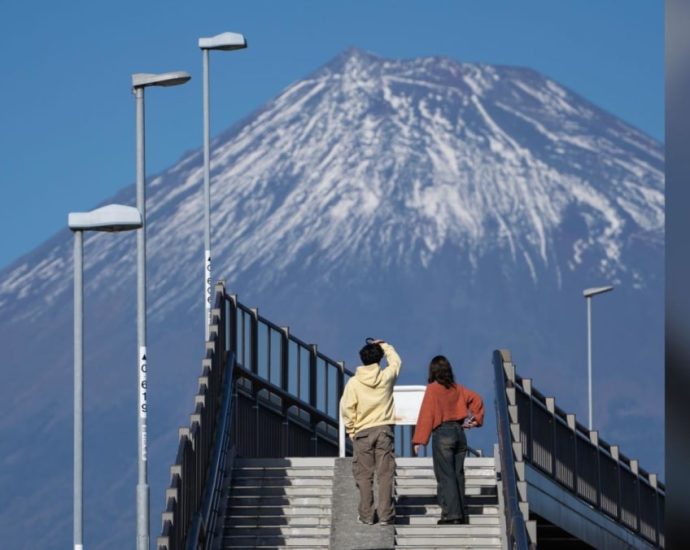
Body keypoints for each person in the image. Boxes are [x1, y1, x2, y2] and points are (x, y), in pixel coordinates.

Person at [411, 355, 484, 525]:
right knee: (458, 474)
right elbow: (477, 399)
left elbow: (426, 414)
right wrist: (476, 419)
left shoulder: (433, 389)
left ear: (432, 371)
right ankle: (462, 514)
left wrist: (419, 440)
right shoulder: (457, 388)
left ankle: (451, 515)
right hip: (459, 433)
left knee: (446, 476)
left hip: (443, 434)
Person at [340, 338, 402, 526]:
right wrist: (384, 345)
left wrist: (351, 430)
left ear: (361, 359)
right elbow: (397, 362)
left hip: (362, 432)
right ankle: (385, 515)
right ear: (379, 359)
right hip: (384, 430)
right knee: (385, 474)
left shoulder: (354, 383)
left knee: (364, 475)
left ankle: (367, 515)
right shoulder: (386, 377)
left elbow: (347, 408)